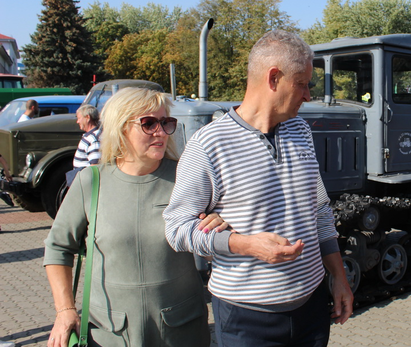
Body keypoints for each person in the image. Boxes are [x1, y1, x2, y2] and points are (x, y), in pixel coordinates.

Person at [163, 29, 353, 347]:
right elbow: (176, 229)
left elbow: (319, 211)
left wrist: (339, 279)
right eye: (303, 84)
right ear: (274, 78)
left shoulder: (301, 131)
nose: (308, 95)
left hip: (312, 312)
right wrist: (244, 244)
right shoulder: (209, 145)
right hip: (247, 321)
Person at [44, 88, 225, 347]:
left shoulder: (187, 178)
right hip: (110, 333)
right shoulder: (91, 182)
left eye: (166, 122)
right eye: (149, 124)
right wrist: (64, 311)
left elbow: (215, 245)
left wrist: (218, 226)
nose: (161, 132)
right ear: (121, 128)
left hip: (180, 330)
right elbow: (58, 247)